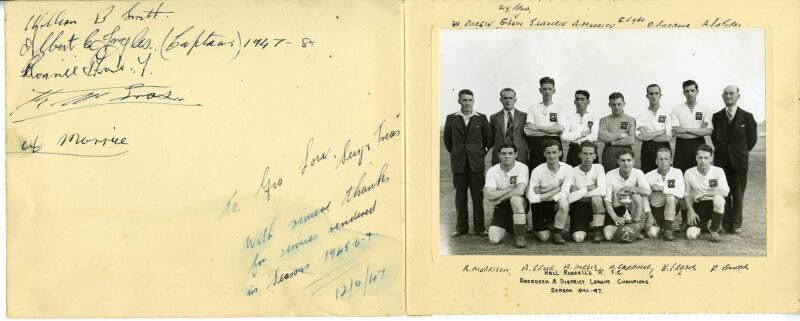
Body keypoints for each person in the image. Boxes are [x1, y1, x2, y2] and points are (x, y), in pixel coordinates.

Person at [443, 89, 492, 237]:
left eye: (470, 100)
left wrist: (478, 153)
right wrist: (458, 154)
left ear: (473, 101)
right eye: (464, 100)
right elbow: (447, 141)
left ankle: (479, 228)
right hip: (459, 164)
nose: (467, 103)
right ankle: (461, 228)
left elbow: (489, 140)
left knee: (478, 196)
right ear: (459, 101)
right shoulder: (451, 118)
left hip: (476, 164)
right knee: (460, 196)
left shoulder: (481, 118)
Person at [711, 85, 757, 234]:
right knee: (724, 192)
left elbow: (751, 140)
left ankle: (736, 224)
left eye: (731, 93)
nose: (728, 96)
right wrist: (724, 151)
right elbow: (715, 138)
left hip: (739, 162)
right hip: (721, 162)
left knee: (738, 193)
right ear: (722, 96)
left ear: (738, 95)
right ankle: (725, 222)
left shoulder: (747, 117)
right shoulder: (717, 116)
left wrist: (739, 152)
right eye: (725, 94)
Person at [670, 80, 713, 231]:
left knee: (698, 181)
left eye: (692, 90)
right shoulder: (677, 109)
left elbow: (707, 131)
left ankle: (699, 218)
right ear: (683, 92)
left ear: (697, 91)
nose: (690, 93)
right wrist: (695, 130)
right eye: (687, 91)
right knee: (682, 185)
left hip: (698, 147)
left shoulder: (705, 109)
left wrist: (685, 130)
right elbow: (676, 131)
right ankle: (684, 220)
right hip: (682, 148)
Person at [527, 140, 573, 244]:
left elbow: (565, 193)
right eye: (548, 153)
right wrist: (557, 189)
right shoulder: (537, 171)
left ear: (560, 153)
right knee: (544, 238)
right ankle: (540, 228)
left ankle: (557, 233)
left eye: (554, 152)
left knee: (564, 203)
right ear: (544, 154)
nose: (551, 156)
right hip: (540, 206)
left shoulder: (568, 169)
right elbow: (532, 198)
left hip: (554, 203)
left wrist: (542, 194)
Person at [484, 142, 530, 247]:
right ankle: (511, 226)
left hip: (519, 204)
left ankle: (520, 237)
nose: (507, 156)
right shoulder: (492, 170)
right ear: (498, 155)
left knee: (516, 199)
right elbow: (489, 195)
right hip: (501, 208)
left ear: (516, 154)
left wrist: (500, 198)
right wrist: (510, 188)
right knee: (494, 240)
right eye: (503, 153)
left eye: (510, 153)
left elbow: (520, 191)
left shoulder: (522, 167)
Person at [683, 144, 730, 242]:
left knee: (719, 198)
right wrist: (691, 211)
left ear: (711, 158)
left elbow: (725, 191)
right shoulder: (689, 172)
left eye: (706, 158)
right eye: (700, 157)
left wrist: (705, 194)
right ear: (696, 158)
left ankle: (714, 229)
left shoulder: (718, 171)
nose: (703, 161)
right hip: (699, 206)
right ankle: (707, 225)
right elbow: (686, 194)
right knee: (691, 235)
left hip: (714, 205)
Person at [602, 149, 651, 241]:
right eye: (623, 160)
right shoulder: (610, 175)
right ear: (618, 162)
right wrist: (615, 218)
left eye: (629, 160)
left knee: (637, 197)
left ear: (633, 161)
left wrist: (630, 188)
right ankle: (627, 230)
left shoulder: (638, 173)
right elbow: (607, 201)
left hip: (631, 210)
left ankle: (634, 225)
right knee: (608, 236)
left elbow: (647, 191)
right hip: (615, 209)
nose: (626, 163)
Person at [565, 141, 606, 243]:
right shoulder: (572, 171)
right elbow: (569, 198)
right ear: (580, 155)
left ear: (595, 155)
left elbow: (602, 191)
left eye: (591, 154)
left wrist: (579, 193)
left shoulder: (599, 168)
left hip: (593, 206)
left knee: (596, 198)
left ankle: (598, 230)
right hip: (579, 207)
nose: (588, 157)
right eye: (585, 153)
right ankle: (586, 225)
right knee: (578, 238)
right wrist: (587, 189)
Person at [641, 148, 685, 241]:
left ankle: (668, 230)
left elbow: (681, 193)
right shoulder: (648, 176)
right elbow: (644, 197)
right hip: (655, 209)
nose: (664, 162)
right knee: (653, 234)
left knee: (671, 197)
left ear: (671, 160)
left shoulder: (677, 172)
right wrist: (649, 216)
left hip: (671, 206)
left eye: (666, 159)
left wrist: (662, 188)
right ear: (656, 161)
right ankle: (659, 225)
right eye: (661, 159)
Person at [524, 77, 565, 171]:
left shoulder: (559, 108)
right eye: (544, 89)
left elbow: (560, 129)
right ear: (540, 90)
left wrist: (537, 127)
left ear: (554, 91)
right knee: (536, 172)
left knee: (555, 172)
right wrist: (552, 131)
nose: (547, 91)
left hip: (554, 144)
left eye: (550, 89)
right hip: (536, 145)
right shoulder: (533, 108)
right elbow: (528, 132)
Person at [636, 84, 673, 174]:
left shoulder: (667, 113)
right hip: (647, 148)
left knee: (665, 175)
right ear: (647, 96)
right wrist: (660, 132)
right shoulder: (641, 115)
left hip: (663, 147)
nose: (654, 96)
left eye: (656, 93)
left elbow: (668, 137)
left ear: (660, 95)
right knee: (647, 175)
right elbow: (640, 137)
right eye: (651, 93)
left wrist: (648, 134)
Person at [490, 88, 529, 166]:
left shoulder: (524, 116)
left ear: (515, 99)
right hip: (501, 156)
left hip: (520, 155)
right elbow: (491, 138)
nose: (508, 101)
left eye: (510, 98)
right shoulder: (494, 117)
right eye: (505, 98)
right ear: (501, 100)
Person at [598, 92, 636, 172]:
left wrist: (612, 142)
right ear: (609, 105)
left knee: (626, 176)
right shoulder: (604, 120)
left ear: (624, 104)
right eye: (613, 104)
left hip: (626, 151)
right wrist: (621, 135)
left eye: (619, 104)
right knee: (609, 176)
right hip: (609, 153)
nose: (616, 107)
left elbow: (631, 140)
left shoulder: (630, 119)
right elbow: (602, 137)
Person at [561, 90, 600, 167]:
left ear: (588, 101)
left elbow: (594, 136)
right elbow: (564, 136)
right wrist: (582, 134)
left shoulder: (594, 116)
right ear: (574, 101)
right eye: (577, 99)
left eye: (582, 99)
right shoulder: (570, 117)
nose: (579, 102)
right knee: (573, 175)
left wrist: (578, 141)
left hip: (590, 150)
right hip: (574, 151)